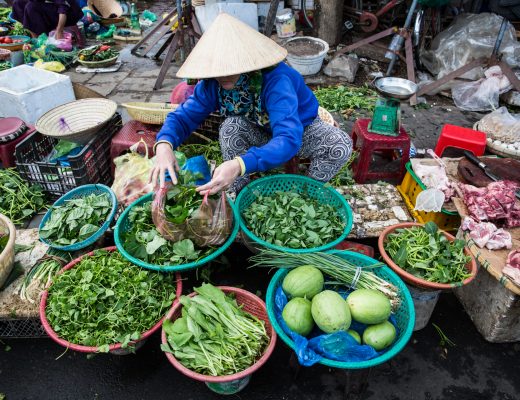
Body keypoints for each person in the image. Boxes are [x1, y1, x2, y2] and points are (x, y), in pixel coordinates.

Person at [151, 13, 353, 195]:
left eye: (230, 66)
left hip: (300, 129)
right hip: (258, 127)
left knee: (340, 145)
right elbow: (183, 117)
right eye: (217, 68)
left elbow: (288, 137)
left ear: (246, 61)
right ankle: (242, 191)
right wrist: (164, 144)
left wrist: (240, 163)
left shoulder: (276, 80)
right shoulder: (212, 84)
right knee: (230, 128)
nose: (222, 75)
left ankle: (305, 193)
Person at [12, 0, 84, 39]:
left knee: (31, 7)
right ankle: (36, 37)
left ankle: (43, 36)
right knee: (18, 3)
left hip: (70, 14)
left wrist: (59, 30)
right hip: (55, 9)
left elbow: (63, 10)